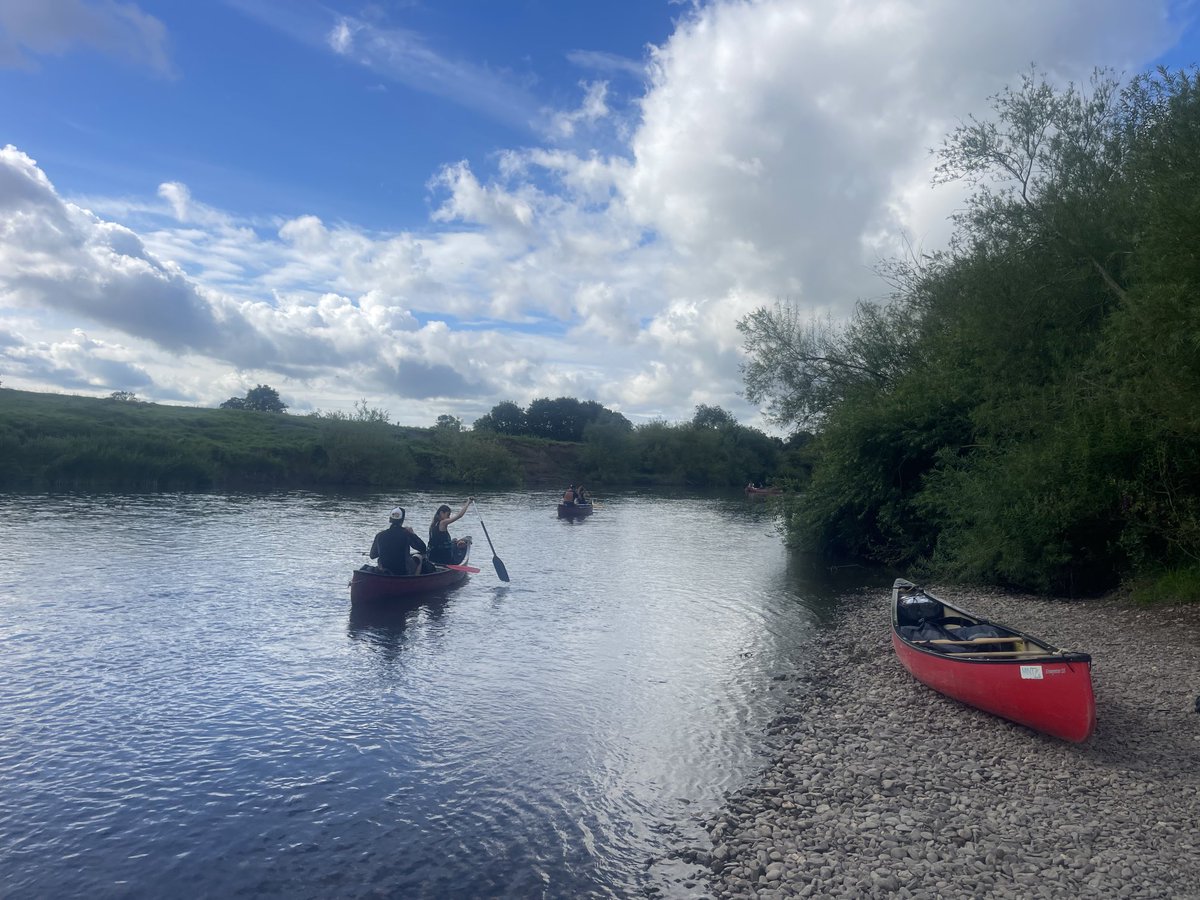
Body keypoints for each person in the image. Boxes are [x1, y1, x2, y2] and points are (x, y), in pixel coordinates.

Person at [369, 506, 428, 575]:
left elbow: (372, 555)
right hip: (403, 571)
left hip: (385, 571)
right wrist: (413, 534)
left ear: (390, 519)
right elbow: (423, 548)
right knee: (419, 557)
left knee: (379, 560)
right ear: (402, 520)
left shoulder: (380, 535)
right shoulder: (407, 534)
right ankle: (413, 582)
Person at [428, 497, 474, 566]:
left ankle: (458, 542)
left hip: (432, 557)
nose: (449, 517)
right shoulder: (443, 523)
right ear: (441, 513)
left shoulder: (433, 524)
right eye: (448, 515)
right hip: (443, 559)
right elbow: (459, 515)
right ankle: (460, 543)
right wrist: (468, 502)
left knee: (454, 541)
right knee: (458, 546)